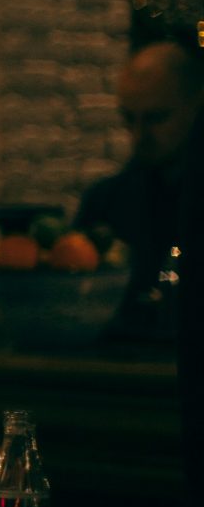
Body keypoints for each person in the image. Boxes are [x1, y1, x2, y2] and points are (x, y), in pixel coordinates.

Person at [75, 41, 204, 336]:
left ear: (196, 107)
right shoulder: (106, 201)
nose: (138, 135)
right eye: (128, 118)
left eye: (156, 118)